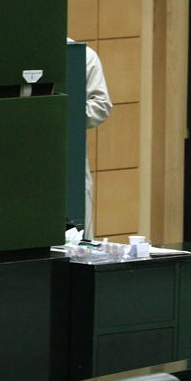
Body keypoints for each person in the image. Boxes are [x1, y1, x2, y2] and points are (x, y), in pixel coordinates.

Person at [68, 38, 113, 240]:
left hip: (70, 164)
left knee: (76, 239)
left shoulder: (83, 56)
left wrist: (62, 111)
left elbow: (102, 106)